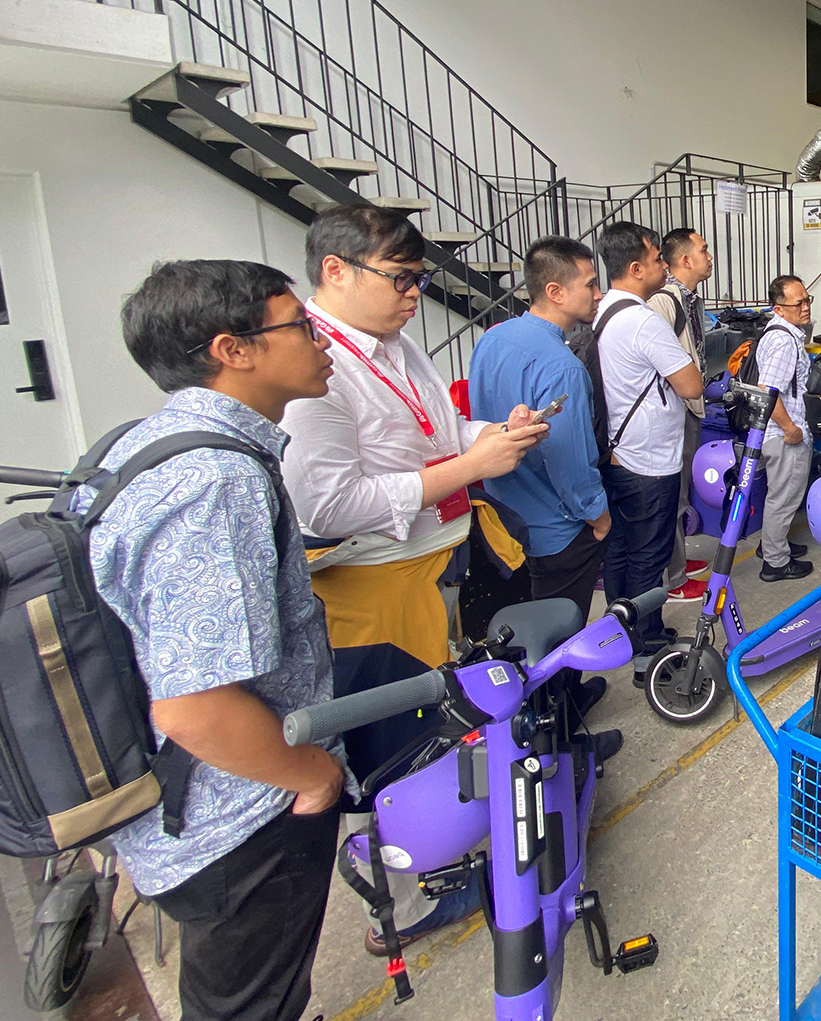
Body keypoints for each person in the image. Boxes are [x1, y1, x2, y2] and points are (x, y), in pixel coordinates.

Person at [84, 259, 348, 1021]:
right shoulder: (213, 481)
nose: (320, 335)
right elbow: (194, 708)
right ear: (235, 350)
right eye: (300, 323)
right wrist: (308, 777)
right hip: (237, 817)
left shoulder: (150, 442)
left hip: (196, 802)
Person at [280, 205, 546, 954]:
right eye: (400, 277)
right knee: (386, 752)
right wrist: (466, 468)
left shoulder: (393, 343)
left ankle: (440, 853)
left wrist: (488, 436)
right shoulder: (315, 367)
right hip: (372, 591)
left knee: (439, 725)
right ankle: (395, 901)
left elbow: (427, 434)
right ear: (335, 270)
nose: (413, 294)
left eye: (419, 278)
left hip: (432, 568)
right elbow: (327, 505)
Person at [467, 236, 622, 757]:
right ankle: (558, 742)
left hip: (504, 517)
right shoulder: (563, 367)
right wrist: (597, 515)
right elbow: (571, 461)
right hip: (556, 527)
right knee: (559, 635)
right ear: (554, 291)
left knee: (521, 629)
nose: (599, 293)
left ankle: (564, 704)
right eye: (590, 284)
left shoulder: (494, 338)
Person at [593, 221, 705, 673]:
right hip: (649, 460)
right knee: (649, 554)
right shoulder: (643, 320)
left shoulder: (604, 313)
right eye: (659, 259)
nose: (665, 265)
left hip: (618, 452)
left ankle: (620, 628)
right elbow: (691, 383)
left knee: (621, 549)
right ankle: (646, 642)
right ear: (636, 267)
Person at [649, 228, 713, 602]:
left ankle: (678, 559)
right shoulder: (664, 303)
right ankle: (671, 579)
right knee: (672, 495)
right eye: (703, 250)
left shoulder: (690, 300)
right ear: (685, 260)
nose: (710, 256)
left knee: (682, 491)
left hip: (690, 407)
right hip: (676, 410)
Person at [754, 275, 815, 581]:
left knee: (779, 494)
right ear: (778, 308)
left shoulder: (782, 333)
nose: (805, 307)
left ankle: (772, 545)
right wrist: (790, 428)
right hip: (783, 433)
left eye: (807, 300)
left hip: (777, 431)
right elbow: (768, 390)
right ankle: (775, 563)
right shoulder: (784, 341)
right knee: (784, 496)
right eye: (798, 303)